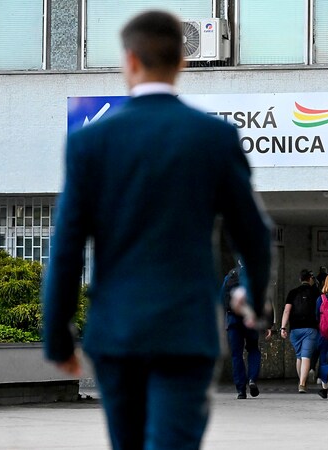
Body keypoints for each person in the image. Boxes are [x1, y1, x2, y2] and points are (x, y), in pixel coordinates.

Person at [41, 10, 272, 450]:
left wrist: (58, 337)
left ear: (129, 60)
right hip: (186, 330)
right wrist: (253, 298)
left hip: (118, 330)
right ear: (182, 62)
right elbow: (253, 233)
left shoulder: (90, 142)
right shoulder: (213, 136)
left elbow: (68, 246)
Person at [223, 265, 272, 399]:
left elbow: (222, 298)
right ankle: (252, 379)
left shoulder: (230, 276)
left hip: (232, 320)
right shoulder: (254, 275)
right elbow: (264, 298)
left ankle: (240, 390)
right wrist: (267, 323)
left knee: (236, 355)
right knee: (253, 349)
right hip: (251, 318)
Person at [280, 269, 321, 393]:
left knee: (299, 357)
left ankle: (300, 380)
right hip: (310, 328)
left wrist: (283, 327)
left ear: (300, 279)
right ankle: (302, 383)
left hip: (295, 329)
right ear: (310, 279)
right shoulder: (316, 293)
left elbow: (287, 311)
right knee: (306, 356)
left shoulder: (293, 292)